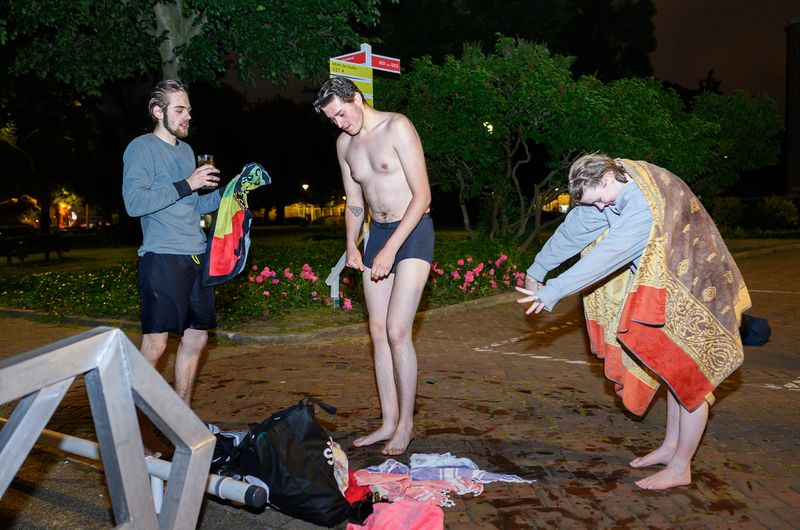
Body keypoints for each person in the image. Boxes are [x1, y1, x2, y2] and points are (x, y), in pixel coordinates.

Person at [516, 153, 750, 490]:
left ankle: (681, 467)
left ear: (608, 179)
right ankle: (671, 448)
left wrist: (552, 292)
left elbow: (607, 255)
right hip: (666, 286)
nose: (598, 209)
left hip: (697, 288)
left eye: (598, 200)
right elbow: (575, 230)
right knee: (672, 370)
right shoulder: (610, 186)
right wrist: (537, 270)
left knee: (692, 379)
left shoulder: (642, 203)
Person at [314, 77, 434, 455]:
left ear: (357, 98)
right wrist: (352, 242)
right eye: (332, 119)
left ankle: (407, 425)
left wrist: (390, 250)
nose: (339, 122)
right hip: (377, 234)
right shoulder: (344, 145)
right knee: (378, 331)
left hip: (413, 231)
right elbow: (354, 200)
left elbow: (423, 194)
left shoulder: (397, 126)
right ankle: (387, 421)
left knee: (399, 331)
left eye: (341, 113)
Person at [122, 80, 222, 409]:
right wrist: (188, 183)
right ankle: (130, 424)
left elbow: (192, 206)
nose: (187, 116)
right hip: (162, 256)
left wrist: (231, 195)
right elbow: (134, 203)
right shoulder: (141, 148)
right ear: (157, 111)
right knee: (155, 345)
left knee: (197, 337)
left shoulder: (187, 151)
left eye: (189, 110)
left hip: (196, 254)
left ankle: (182, 418)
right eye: (179, 110)